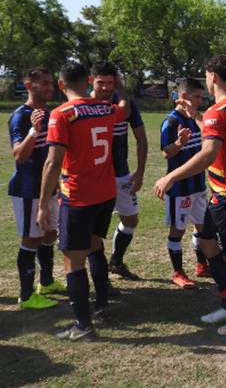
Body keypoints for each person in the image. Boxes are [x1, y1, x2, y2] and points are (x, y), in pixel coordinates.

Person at [154, 54, 226, 336]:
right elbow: (218, 134)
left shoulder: (218, 111)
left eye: (206, 75)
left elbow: (208, 154)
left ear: (213, 76)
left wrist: (170, 176)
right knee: (207, 244)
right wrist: (195, 115)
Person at [38, 61, 131, 340]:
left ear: (61, 84)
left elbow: (52, 163)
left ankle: (82, 326)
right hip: (105, 194)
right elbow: (125, 109)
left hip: (78, 197)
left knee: (73, 262)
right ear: (89, 82)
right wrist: (121, 85)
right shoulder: (105, 108)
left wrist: (42, 204)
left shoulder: (61, 114)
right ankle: (101, 305)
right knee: (95, 247)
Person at [10, 67, 66, 309]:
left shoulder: (51, 114)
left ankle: (47, 282)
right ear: (28, 85)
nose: (50, 87)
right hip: (28, 189)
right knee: (31, 239)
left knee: (49, 233)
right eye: (44, 83)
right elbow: (19, 156)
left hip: (49, 188)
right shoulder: (21, 116)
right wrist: (34, 131)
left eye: (51, 83)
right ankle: (26, 295)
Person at [88, 61, 148, 282]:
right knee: (95, 230)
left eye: (110, 83)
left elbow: (141, 138)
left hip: (120, 173)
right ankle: (100, 277)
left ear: (116, 82)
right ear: (91, 81)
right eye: (100, 83)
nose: (105, 88)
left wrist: (139, 172)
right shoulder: (84, 104)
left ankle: (116, 262)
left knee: (131, 220)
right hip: (93, 177)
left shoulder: (127, 104)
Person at [160, 78, 210, 289]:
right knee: (178, 230)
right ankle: (178, 273)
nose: (200, 101)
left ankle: (202, 265)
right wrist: (179, 143)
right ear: (183, 97)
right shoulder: (171, 121)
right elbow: (166, 152)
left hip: (198, 184)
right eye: (196, 97)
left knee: (201, 225)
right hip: (179, 188)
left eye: (201, 97)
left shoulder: (196, 120)